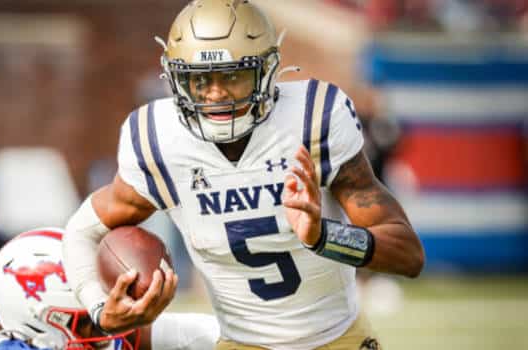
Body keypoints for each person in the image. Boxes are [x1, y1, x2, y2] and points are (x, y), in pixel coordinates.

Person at [63, 1, 425, 349]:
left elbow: (408, 255)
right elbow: (81, 232)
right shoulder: (160, 141)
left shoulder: (313, 119)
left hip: (335, 339)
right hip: (241, 343)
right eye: (200, 79)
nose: (216, 93)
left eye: (233, 76)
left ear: (267, 72)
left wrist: (325, 236)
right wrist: (100, 309)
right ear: (175, 79)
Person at [0, 228, 219, 350]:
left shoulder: (32, 330)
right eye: (89, 321)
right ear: (43, 323)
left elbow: (192, 334)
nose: (106, 324)